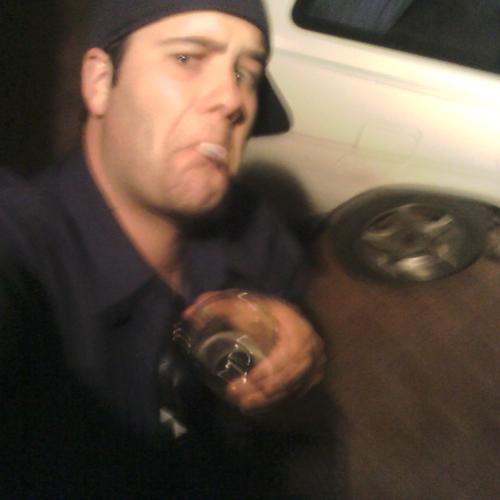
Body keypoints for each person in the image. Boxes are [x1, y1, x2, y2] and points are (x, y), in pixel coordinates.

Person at [1, 0, 326, 496]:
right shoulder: (25, 247)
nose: (233, 99)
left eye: (245, 73)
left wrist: (298, 346)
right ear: (100, 81)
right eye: (186, 58)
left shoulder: (255, 229)